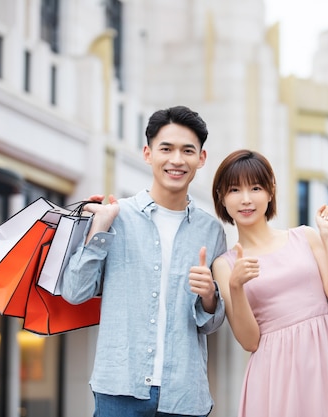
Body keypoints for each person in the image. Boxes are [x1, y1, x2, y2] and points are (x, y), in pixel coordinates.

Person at [61, 105, 227, 417]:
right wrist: (99, 231)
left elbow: (212, 324)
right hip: (119, 389)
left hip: (184, 394)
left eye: (187, 150)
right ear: (148, 154)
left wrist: (208, 297)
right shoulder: (115, 216)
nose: (176, 160)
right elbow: (74, 291)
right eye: (166, 149)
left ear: (201, 159)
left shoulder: (212, 231)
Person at [211, 149, 328, 417]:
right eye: (234, 190)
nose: (246, 199)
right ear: (222, 198)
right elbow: (249, 341)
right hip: (272, 373)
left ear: (270, 192)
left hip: (323, 362)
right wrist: (236, 286)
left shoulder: (305, 236)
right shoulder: (225, 265)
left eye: (255, 188)